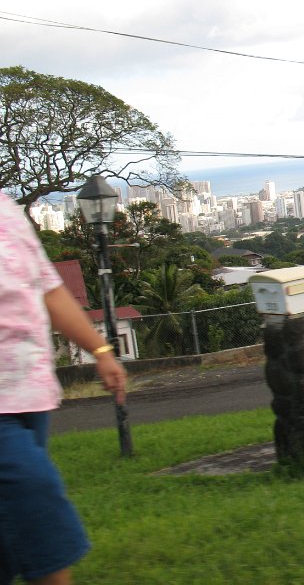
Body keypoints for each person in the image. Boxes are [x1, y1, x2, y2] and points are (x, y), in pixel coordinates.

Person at [0, 191, 127, 585]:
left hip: (28, 391)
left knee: (8, 524)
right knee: (34, 491)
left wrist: (101, 350)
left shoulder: (5, 207)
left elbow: (48, 289)